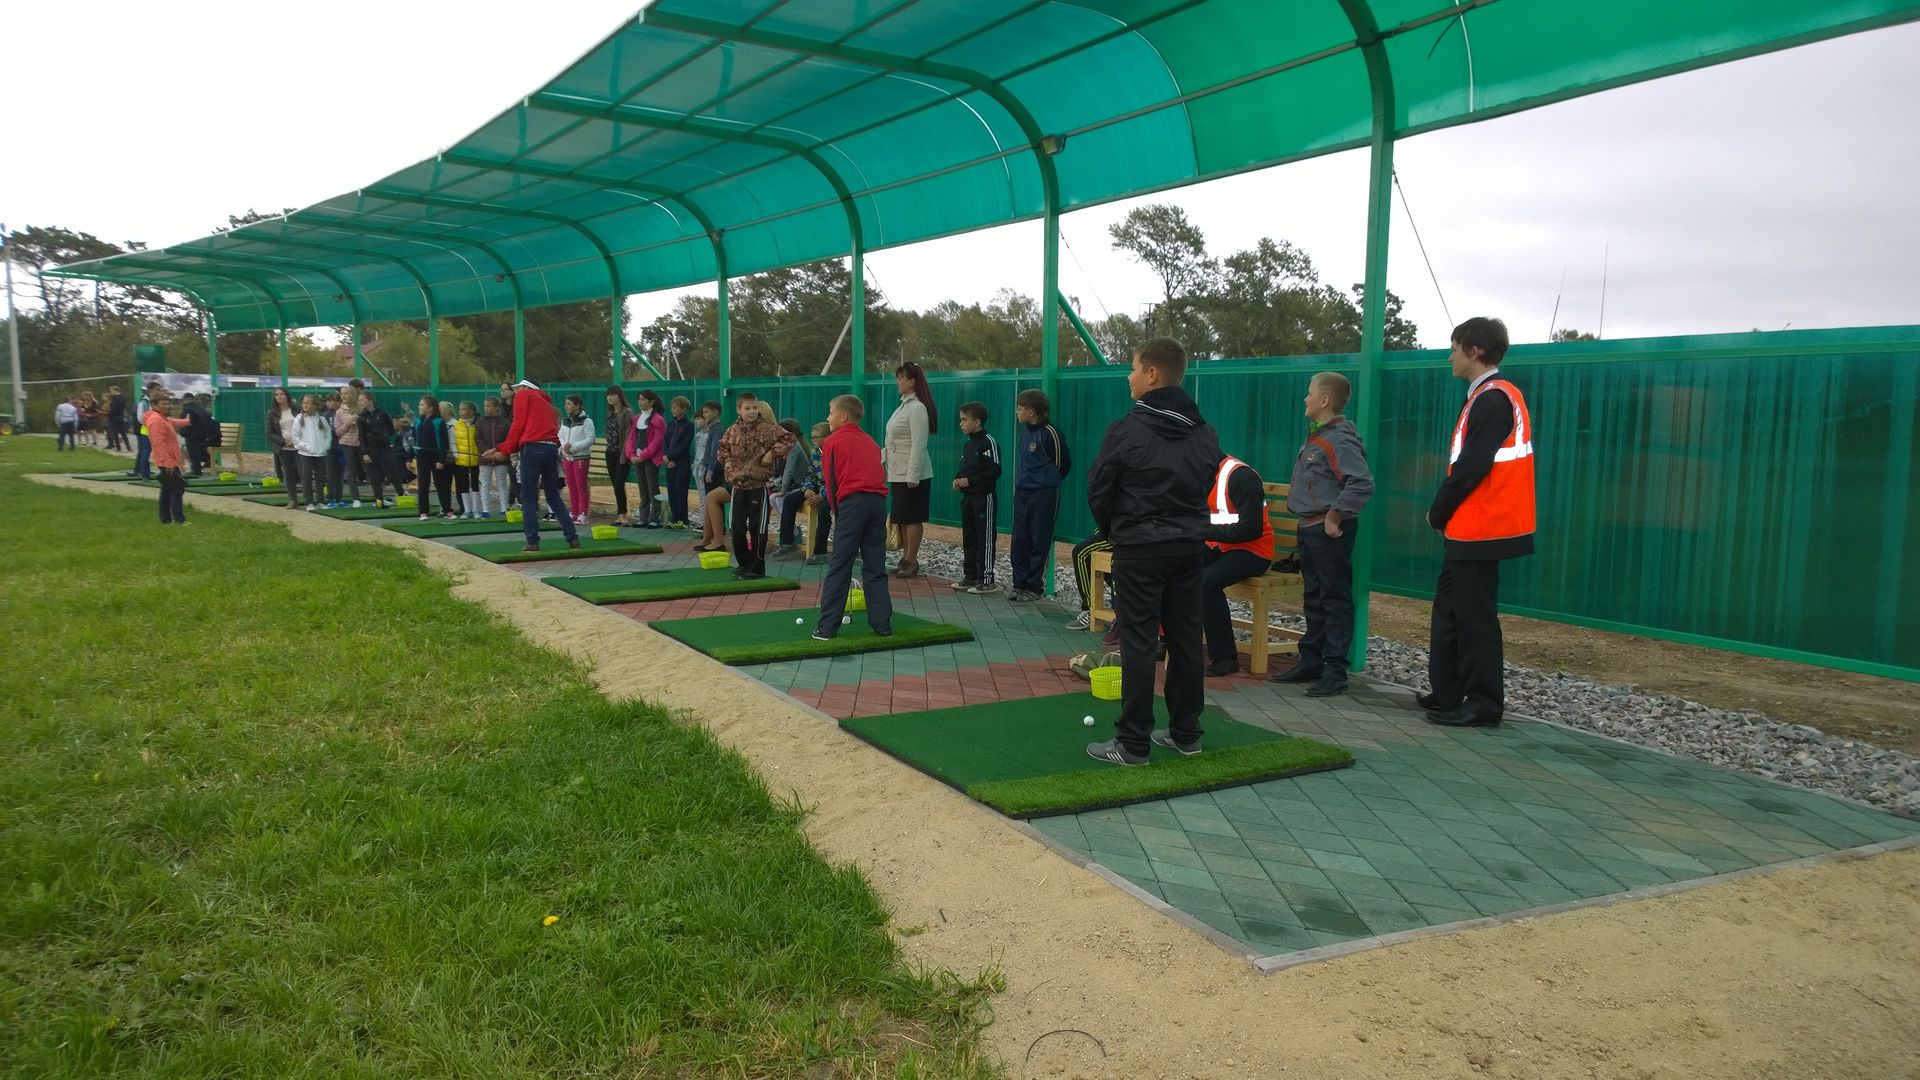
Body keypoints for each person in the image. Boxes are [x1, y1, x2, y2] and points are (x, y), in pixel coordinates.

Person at [1083, 338, 1221, 766]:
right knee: (1184, 638)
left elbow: (1100, 487)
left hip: (1141, 549)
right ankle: (1185, 734)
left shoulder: (1126, 429)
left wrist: (1115, 531)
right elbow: (1205, 481)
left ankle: (1133, 743)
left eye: (1134, 368)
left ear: (1153, 375)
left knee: (1139, 641)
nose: (1129, 376)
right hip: (1187, 547)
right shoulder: (1205, 431)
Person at [1423, 317, 1535, 728]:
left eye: (1455, 348)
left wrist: (1439, 510)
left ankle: (1484, 704)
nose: (1450, 356)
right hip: (1470, 528)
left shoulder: (1492, 399)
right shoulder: (1486, 397)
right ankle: (1448, 692)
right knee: (1451, 612)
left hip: (1483, 527)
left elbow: (1470, 468)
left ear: (1476, 351)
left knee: (1474, 618)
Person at [1267, 372, 1376, 693]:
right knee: (1314, 597)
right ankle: (1311, 661)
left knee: (1334, 598)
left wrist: (1335, 517)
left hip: (1326, 533)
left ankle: (1334, 671)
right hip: (1309, 529)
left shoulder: (1339, 438)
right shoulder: (1318, 435)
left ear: (1325, 400)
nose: (1305, 398)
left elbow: (1361, 482)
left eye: (1310, 393)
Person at [811, 395, 893, 640]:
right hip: (877, 503)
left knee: (840, 564)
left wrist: (836, 511)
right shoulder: (869, 441)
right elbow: (879, 473)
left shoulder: (833, 441)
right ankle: (882, 625)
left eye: (831, 412)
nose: (828, 417)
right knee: (875, 565)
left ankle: (826, 628)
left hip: (852, 504)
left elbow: (830, 480)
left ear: (844, 416)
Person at [1198, 451, 1278, 679]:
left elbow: (1252, 529)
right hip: (1219, 545)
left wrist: (1203, 531)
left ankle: (1225, 658)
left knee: (1206, 583)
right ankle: (1168, 641)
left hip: (1253, 552)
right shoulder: (1199, 472)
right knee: (1174, 567)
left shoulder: (1241, 476)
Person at [486, 379, 580, 552]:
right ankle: (572, 537)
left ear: (527, 388)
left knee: (528, 496)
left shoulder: (524, 396)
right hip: (550, 449)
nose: (518, 391)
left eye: (520, 387)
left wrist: (504, 452)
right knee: (553, 496)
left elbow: (518, 426)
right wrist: (500, 448)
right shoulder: (547, 405)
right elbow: (540, 431)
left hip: (532, 449)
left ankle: (532, 541)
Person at [716, 393, 795, 580]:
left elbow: (790, 439)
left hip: (758, 485)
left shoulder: (768, 428)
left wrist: (772, 452)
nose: (751, 412)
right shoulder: (733, 430)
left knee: (757, 527)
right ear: (739, 410)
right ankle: (744, 563)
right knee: (736, 527)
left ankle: (757, 566)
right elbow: (722, 448)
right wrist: (727, 462)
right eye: (747, 408)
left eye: (754, 408)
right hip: (738, 485)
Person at [1009, 388, 1071, 601]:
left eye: (1019, 408)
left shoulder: (1051, 434)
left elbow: (1063, 465)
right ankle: (1019, 583)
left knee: (1039, 539)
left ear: (1032, 411)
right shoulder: (1026, 434)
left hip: (1044, 494)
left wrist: (1047, 481)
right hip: (1022, 492)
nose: (1017, 412)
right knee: (1020, 538)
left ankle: (1034, 587)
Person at [883, 361, 936, 576]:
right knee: (901, 517)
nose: (898, 382)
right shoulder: (903, 406)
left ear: (912, 382)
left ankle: (911, 560)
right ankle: (905, 558)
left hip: (913, 474)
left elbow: (918, 443)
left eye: (901, 378)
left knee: (912, 516)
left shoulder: (917, 408)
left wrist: (913, 474)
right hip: (898, 471)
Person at [951, 401, 1002, 593]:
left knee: (985, 538)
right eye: (961, 420)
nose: (961, 423)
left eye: (965, 420)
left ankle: (986, 579)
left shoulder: (989, 442)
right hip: (968, 499)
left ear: (977, 421)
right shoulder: (968, 444)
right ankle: (970, 575)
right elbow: (964, 469)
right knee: (969, 536)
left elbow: (994, 471)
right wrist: (958, 480)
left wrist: (970, 481)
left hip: (984, 498)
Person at [145, 394, 192, 525]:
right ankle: (179, 520)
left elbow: (172, 421)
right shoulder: (156, 420)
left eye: (167, 404)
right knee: (177, 489)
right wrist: (167, 462)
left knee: (167, 489)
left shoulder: (162, 418)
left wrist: (187, 421)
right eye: (163, 404)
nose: (167, 406)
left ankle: (165, 519)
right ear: (154, 405)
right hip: (167, 460)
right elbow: (158, 443)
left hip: (169, 459)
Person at [770, 418, 813, 557]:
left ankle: (787, 541)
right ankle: (793, 532)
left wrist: (782, 490)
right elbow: (782, 473)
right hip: (796, 485)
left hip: (804, 485)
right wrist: (775, 483)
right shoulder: (785, 448)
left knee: (784, 499)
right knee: (773, 498)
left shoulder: (794, 448)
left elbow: (789, 471)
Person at [626, 389, 667, 527]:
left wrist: (643, 456)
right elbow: (631, 439)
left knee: (652, 488)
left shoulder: (658, 420)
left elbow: (657, 442)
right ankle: (643, 517)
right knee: (642, 489)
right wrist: (631, 455)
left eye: (643, 399)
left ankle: (655, 518)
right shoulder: (636, 419)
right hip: (637, 459)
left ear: (652, 402)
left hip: (650, 459)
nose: (640, 402)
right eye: (639, 399)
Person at [358, 393, 400, 508]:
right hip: (371, 448)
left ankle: (401, 494)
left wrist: (385, 437)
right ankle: (379, 499)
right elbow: (361, 437)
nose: (360, 402)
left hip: (385, 446)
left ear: (370, 400)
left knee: (392, 469)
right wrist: (365, 453)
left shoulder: (382, 413)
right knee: (374, 474)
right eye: (359, 400)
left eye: (362, 400)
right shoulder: (361, 417)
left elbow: (391, 428)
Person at [292, 394, 334, 511]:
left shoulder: (321, 419)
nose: (305, 405)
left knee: (320, 478)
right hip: (306, 454)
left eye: (308, 403)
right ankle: (309, 502)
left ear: (315, 406)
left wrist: (325, 446)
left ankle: (320, 501)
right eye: (304, 403)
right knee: (306, 478)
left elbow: (328, 434)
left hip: (320, 454)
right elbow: (296, 437)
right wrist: (305, 447)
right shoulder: (299, 419)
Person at [414, 394, 452, 519]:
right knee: (423, 484)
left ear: (430, 408)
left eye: (422, 405)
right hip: (422, 458)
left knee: (441, 484)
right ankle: (423, 511)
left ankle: (447, 509)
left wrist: (441, 459)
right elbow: (414, 440)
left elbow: (443, 442)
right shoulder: (418, 421)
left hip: (436, 458)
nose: (419, 407)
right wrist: (411, 457)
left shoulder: (438, 422)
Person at [559, 394, 596, 525]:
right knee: (571, 485)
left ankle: (583, 513)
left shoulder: (587, 421)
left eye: (569, 404)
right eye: (566, 404)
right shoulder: (565, 421)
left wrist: (574, 447)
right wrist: (564, 446)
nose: (566, 407)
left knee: (581, 485)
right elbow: (560, 436)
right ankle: (574, 511)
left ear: (578, 405)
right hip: (567, 457)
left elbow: (591, 439)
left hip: (581, 457)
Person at [661, 395, 695, 529]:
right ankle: (674, 519)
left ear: (684, 409)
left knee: (681, 492)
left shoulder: (689, 425)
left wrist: (671, 457)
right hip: (669, 463)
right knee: (672, 491)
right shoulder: (671, 424)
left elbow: (684, 445)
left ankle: (683, 520)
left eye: (676, 408)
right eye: (672, 408)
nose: (673, 410)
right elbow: (665, 441)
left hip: (681, 463)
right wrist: (666, 456)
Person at [603, 386, 635, 522]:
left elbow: (629, 435)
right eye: (608, 395)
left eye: (613, 395)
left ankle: (623, 515)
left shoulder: (627, 413)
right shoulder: (610, 413)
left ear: (620, 396)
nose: (610, 397)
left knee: (619, 483)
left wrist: (625, 454)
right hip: (610, 452)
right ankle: (620, 514)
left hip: (622, 453)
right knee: (615, 484)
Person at [475, 396, 510, 518]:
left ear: (496, 407)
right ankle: (485, 510)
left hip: (501, 458)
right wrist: (487, 452)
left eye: (489, 406)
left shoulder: (505, 422)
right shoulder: (480, 422)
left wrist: (499, 452)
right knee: (485, 483)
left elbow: (508, 439)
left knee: (502, 483)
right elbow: (478, 438)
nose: (486, 408)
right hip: (485, 458)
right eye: (485, 406)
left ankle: (504, 509)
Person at [266, 388, 301, 509]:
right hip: (283, 448)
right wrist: (283, 442)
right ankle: (293, 499)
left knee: (303, 473)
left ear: (287, 395)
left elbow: (304, 425)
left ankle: (309, 499)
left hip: (299, 446)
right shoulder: (272, 413)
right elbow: (269, 432)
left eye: (281, 394)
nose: (279, 396)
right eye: (277, 395)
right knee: (289, 474)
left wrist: (295, 440)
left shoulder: (296, 409)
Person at [332, 389, 364, 508]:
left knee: (370, 469)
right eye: (342, 394)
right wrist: (347, 424)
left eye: (346, 393)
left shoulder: (361, 409)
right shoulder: (340, 412)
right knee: (351, 471)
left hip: (362, 444)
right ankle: (356, 498)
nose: (344, 396)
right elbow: (337, 432)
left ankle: (379, 497)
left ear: (353, 395)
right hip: (347, 444)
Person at [449, 401, 481, 519]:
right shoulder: (457, 425)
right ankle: (466, 510)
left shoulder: (478, 423)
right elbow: (453, 442)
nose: (461, 412)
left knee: (475, 485)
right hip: (461, 460)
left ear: (471, 411)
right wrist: (456, 454)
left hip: (475, 460)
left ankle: (476, 510)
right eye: (460, 409)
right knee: (463, 485)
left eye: (464, 409)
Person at [694, 399, 723, 525]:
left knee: (713, 501)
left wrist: (710, 471)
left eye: (706, 412)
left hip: (715, 471)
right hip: (710, 469)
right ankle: (711, 530)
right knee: (709, 500)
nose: (704, 415)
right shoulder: (713, 429)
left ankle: (716, 531)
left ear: (715, 413)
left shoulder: (717, 430)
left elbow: (715, 452)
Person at [129, 381, 161, 478]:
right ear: (150, 390)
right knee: (145, 451)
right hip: (145, 430)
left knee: (149, 451)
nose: (159, 392)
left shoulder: (153, 401)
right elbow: (140, 418)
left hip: (153, 430)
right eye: (157, 390)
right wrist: (151, 424)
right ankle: (143, 472)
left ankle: (144, 470)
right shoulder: (144, 402)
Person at [181, 394, 214, 476]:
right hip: (205, 435)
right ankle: (207, 460)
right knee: (199, 450)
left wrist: (183, 433)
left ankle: (196, 471)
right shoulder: (201, 408)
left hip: (192, 435)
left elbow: (185, 422)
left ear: (185, 399)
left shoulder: (187, 409)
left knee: (192, 451)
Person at [106, 386, 128, 451]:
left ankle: (118, 447)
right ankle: (128, 446)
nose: (111, 392)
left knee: (115, 433)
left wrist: (109, 414)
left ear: (116, 391)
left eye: (111, 391)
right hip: (121, 417)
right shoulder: (123, 398)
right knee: (123, 433)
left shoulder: (115, 399)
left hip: (114, 418)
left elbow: (114, 409)